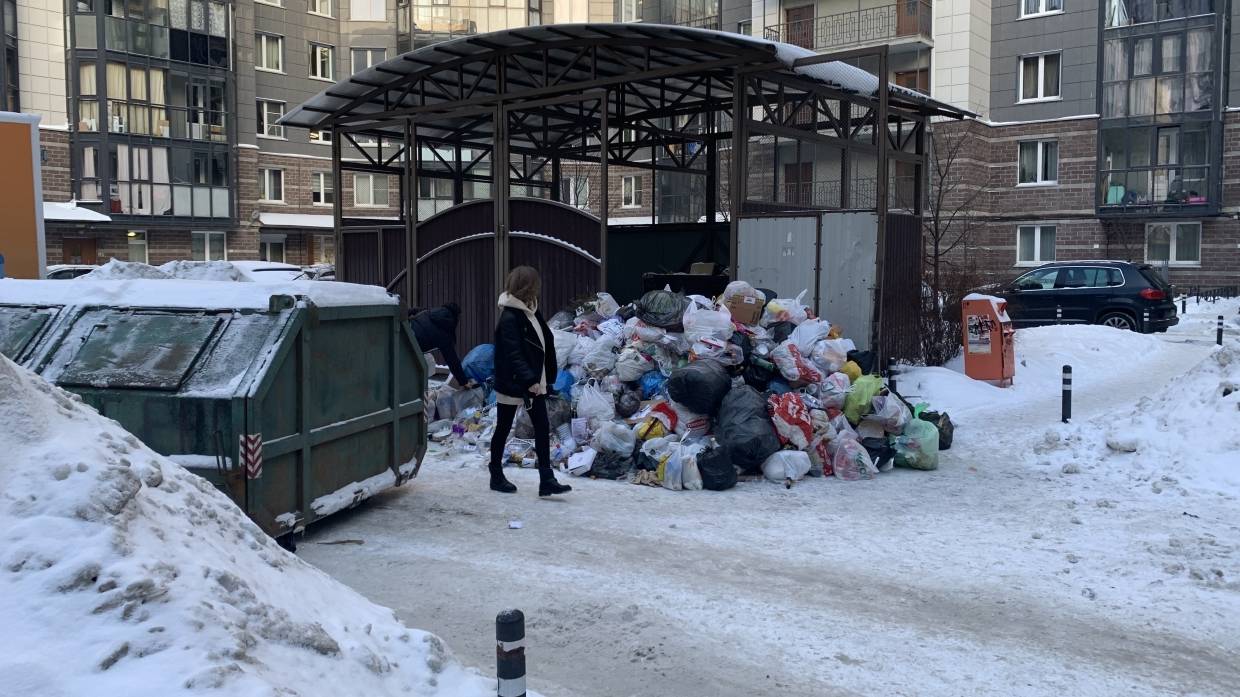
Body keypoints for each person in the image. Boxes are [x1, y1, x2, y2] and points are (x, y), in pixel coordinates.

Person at [488, 266, 572, 497]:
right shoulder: (510, 316)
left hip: (535, 382)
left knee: (542, 427)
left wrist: (543, 378)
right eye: (535, 283)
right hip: (516, 383)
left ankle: (547, 479)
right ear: (527, 286)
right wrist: (529, 379)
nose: (539, 287)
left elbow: (542, 342)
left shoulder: (531, 311)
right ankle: (496, 474)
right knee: (504, 428)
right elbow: (513, 352)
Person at [410, 303, 472, 388]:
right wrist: (464, 382)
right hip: (409, 350)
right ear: (456, 317)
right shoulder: (446, 332)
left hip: (400, 337)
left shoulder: (426, 312)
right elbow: (452, 360)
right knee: (426, 362)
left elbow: (410, 310)